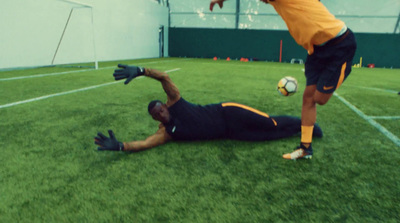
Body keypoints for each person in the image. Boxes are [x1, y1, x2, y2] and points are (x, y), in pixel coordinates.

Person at [210, 0, 357, 160]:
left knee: (320, 99)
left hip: (339, 44)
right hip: (315, 49)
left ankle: (344, 67)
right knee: (308, 98)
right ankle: (305, 148)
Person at [94, 64, 323, 152]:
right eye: (157, 115)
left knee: (270, 122)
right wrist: (120, 146)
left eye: (160, 109)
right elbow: (144, 143)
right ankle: (306, 131)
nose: (161, 113)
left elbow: (164, 77)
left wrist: (142, 71)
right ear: (156, 119)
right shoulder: (165, 133)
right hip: (230, 132)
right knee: (266, 135)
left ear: (164, 105)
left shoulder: (175, 101)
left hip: (229, 111)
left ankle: (308, 127)